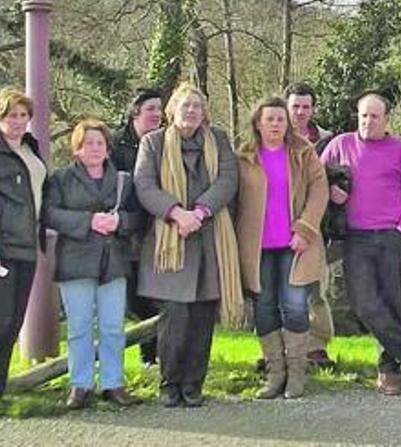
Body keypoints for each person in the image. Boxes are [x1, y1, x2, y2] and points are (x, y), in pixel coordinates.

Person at [134, 82, 241, 407]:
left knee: (202, 317)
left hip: (210, 240)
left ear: (204, 112)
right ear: (172, 110)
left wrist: (201, 212)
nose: (192, 111)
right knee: (175, 317)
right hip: (170, 242)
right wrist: (176, 214)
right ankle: (169, 384)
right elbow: (144, 185)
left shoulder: (219, 140)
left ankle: (194, 384)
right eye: (186, 105)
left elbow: (227, 180)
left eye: (197, 106)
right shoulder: (153, 143)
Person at [320, 91, 401, 395]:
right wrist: (331, 190)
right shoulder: (340, 145)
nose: (367, 121)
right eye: (363, 115)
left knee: (392, 304)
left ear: (386, 119)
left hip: (391, 236)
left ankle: (388, 370)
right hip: (356, 237)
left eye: (374, 116)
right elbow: (315, 176)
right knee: (363, 302)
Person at [45, 119, 143, 409]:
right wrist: (87, 221)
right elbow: (49, 214)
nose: (95, 148)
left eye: (100, 143)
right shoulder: (61, 179)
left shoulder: (124, 180)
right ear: (76, 148)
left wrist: (120, 221)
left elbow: (139, 217)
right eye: (89, 143)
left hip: (113, 261)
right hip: (75, 261)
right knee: (79, 327)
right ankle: (80, 385)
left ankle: (114, 383)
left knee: (113, 326)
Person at [236, 97, 328, 399]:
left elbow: (319, 189)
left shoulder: (303, 152)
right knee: (263, 308)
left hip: (294, 245)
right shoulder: (244, 156)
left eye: (280, 119)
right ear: (258, 123)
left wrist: (305, 228)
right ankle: (275, 374)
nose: (276, 124)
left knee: (295, 306)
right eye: (270, 119)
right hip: (257, 246)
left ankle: (297, 374)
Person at [110, 88, 163, 368]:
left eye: (159, 109)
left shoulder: (164, 142)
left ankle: (153, 357)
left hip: (157, 228)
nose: (157, 114)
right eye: (151, 109)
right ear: (135, 113)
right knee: (135, 300)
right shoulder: (115, 145)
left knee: (155, 295)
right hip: (125, 232)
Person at [284, 83, 335, 369]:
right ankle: (279, 348)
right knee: (278, 288)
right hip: (278, 224)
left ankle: (316, 346)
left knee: (316, 288)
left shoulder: (327, 141)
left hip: (317, 225)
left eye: (306, 106)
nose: (301, 112)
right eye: (295, 106)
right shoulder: (273, 136)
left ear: (313, 108)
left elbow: (339, 176)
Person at [0, 88, 46, 400]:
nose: (18, 121)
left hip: (28, 248)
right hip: (3, 248)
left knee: (13, 323)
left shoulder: (31, 149)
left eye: (23, 115)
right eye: (11, 115)